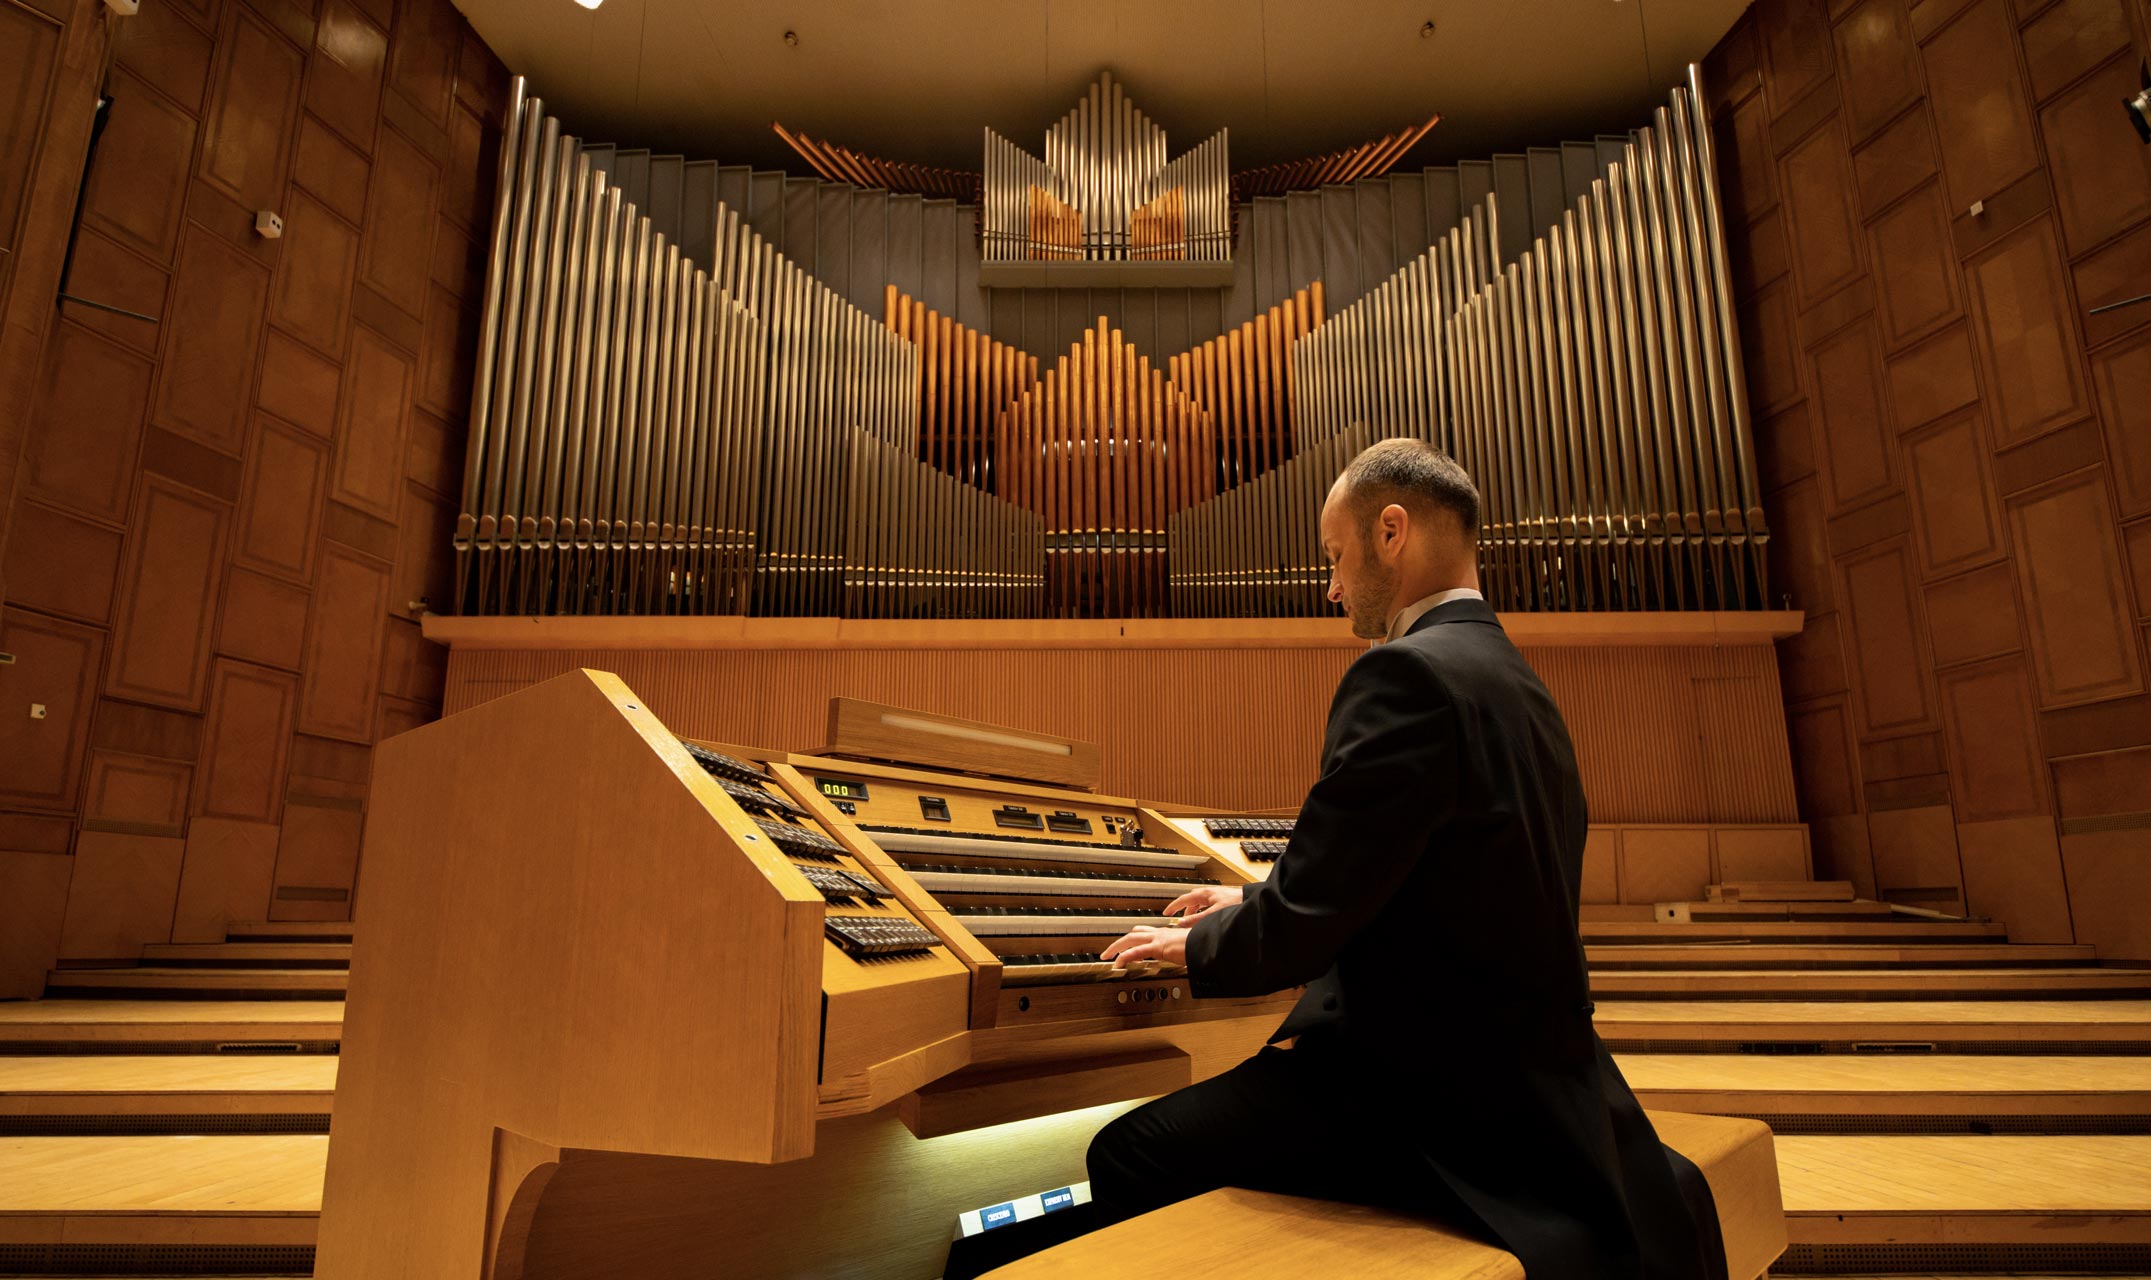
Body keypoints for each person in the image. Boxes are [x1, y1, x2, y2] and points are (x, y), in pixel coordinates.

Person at [1088, 437, 1722, 1280]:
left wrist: (1199, 946)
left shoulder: (1405, 675)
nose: (1331, 585)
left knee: (1127, 1152)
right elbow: (1415, 878)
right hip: (1539, 1089)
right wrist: (1251, 906)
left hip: (1430, 1097)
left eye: (1335, 555)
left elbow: (1310, 924)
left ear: (1392, 531)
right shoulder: (1516, 683)